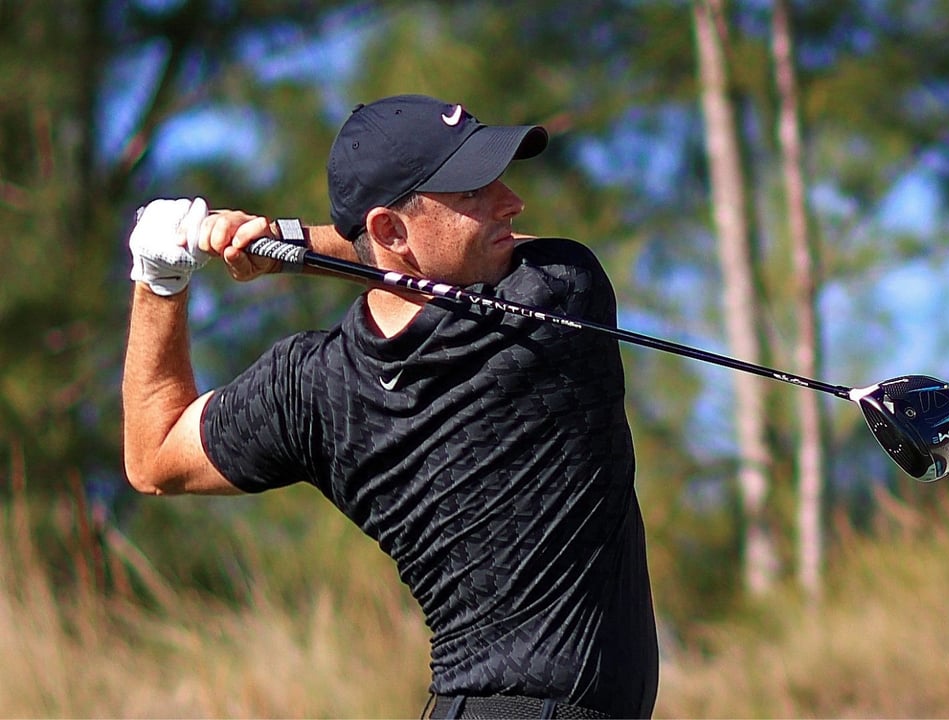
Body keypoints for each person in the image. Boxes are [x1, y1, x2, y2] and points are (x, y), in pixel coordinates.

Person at [122, 94, 659, 719]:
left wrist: (159, 279)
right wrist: (291, 241)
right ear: (389, 230)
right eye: (472, 192)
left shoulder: (308, 390)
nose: (511, 202)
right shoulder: (556, 295)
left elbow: (152, 452)